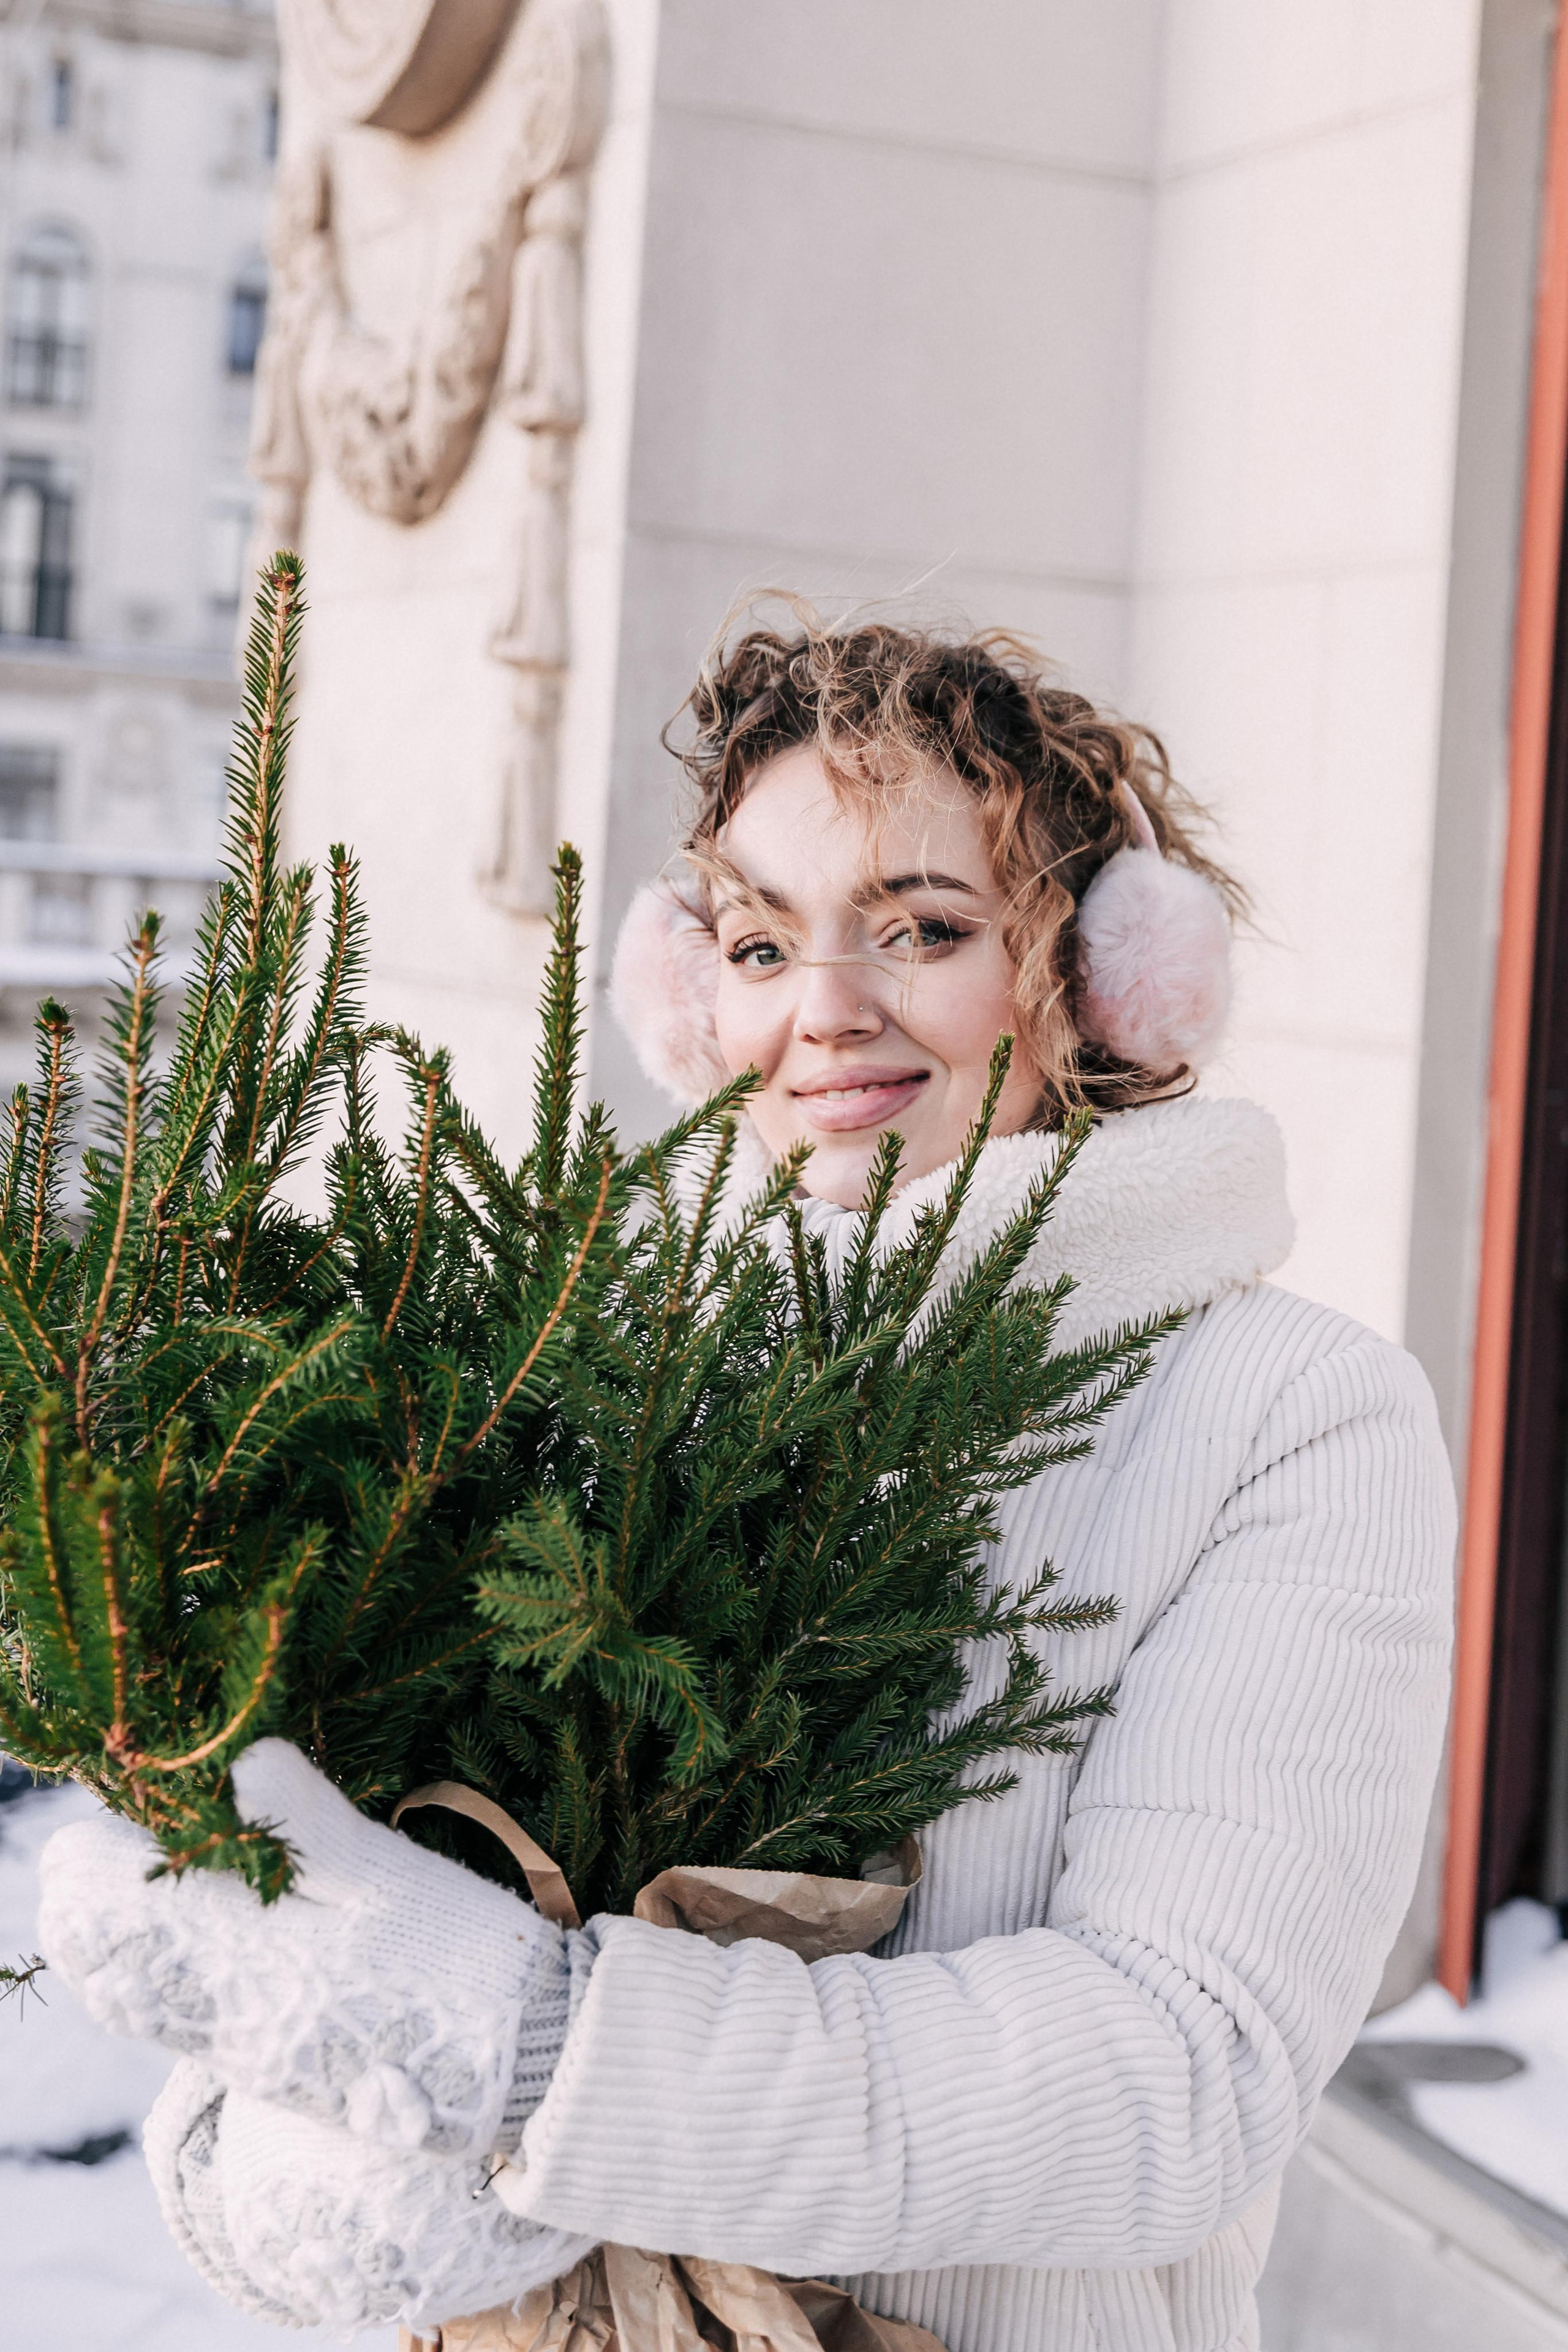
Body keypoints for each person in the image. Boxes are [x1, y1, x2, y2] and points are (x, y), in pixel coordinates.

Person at [37, 613, 1455, 2352]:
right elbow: (339, 1926)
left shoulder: (1289, 1418)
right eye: (764, 942)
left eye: (922, 929)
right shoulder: (576, 1377)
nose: (828, 1013)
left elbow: (1172, 2071)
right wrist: (261, 2153)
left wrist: (526, 2046)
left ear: (1097, 976)